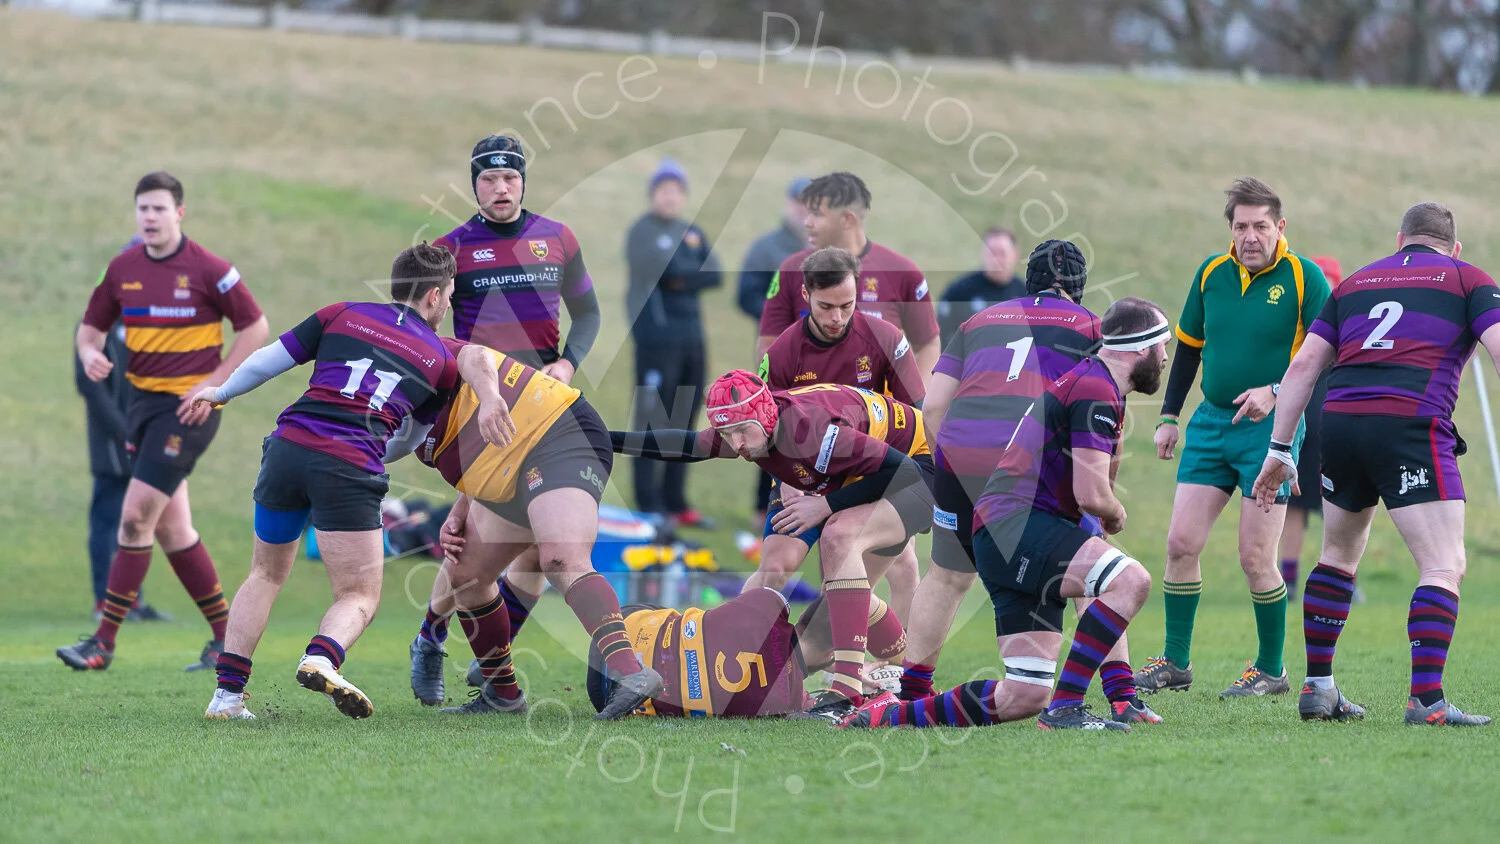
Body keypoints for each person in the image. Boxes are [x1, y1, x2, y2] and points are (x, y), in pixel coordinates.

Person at [196, 242, 509, 720]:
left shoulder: (340, 313)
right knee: (359, 593)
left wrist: (221, 392)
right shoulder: (442, 363)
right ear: (433, 295)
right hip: (349, 465)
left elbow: (267, 361)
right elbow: (407, 440)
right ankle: (322, 657)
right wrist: (364, 455)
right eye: (448, 295)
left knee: (264, 574)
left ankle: (227, 697)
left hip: (287, 449)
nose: (448, 305)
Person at [847, 297, 1171, 732]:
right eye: (1162, 345)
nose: (1165, 357)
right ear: (1140, 347)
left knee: (1024, 695)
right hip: (1018, 527)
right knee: (1130, 581)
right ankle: (1068, 709)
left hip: (1003, 532)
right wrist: (1115, 513)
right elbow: (1092, 493)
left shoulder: (1093, 382)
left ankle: (891, 715)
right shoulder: (1096, 389)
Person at [1252, 202, 1498, 727]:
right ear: (1454, 248)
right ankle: (1426, 701)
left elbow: (1304, 365)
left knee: (1337, 555)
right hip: (1410, 424)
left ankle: (1319, 687)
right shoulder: (1468, 279)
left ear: (1399, 240)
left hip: (1341, 423)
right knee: (1442, 565)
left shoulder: (1356, 282)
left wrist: (1278, 449)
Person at [612, 372, 934, 724]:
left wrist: (826, 505)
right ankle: (899, 674)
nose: (736, 444)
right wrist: (605, 439)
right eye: (726, 434)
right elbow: (687, 445)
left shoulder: (811, 431)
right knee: (825, 614)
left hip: (923, 464)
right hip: (859, 474)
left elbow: (904, 470)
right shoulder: (752, 425)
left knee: (839, 537)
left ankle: (846, 693)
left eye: (741, 431)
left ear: (765, 415)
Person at [59, 172, 270, 673]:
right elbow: (90, 329)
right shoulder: (122, 269)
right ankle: (225, 640)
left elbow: (255, 326)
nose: (149, 217)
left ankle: (103, 643)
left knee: (135, 517)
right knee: (173, 529)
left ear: (179, 213)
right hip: (142, 409)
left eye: (159, 208)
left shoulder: (210, 269)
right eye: (143, 209)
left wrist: (214, 385)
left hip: (188, 410)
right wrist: (89, 353)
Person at [1136, 177, 1331, 698]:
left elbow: (1327, 358)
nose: (1250, 236)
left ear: (1279, 226)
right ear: (1231, 228)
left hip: (1272, 431)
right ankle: (1175, 661)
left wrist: (1275, 390)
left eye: (1260, 226)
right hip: (1209, 424)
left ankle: (1271, 670)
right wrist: (1169, 416)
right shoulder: (1211, 274)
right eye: (1241, 226)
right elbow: (1187, 348)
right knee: (1180, 544)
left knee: (1254, 557)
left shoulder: (1305, 278)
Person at [399, 343, 667, 720]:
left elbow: (475, 357)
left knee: (560, 558)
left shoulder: (416, 349)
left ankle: (630, 672)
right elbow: (482, 447)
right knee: (465, 575)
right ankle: (502, 695)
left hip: (560, 434)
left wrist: (498, 394)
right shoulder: (380, 409)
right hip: (507, 467)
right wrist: (461, 507)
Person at [582, 587, 901, 719]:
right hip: (607, 693)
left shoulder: (767, 602)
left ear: (803, 618)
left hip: (616, 637)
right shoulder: (791, 703)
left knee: (687, 621)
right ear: (833, 654)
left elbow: (854, 595)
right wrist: (851, 668)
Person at [435, 135, 600, 379]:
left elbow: (587, 313)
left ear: (522, 181)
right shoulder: (449, 249)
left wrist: (567, 364)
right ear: (474, 185)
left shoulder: (559, 238)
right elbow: (419, 325)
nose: (501, 188)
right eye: (488, 179)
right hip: (479, 392)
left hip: (543, 389)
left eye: (510, 177)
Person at [757, 172, 940, 380]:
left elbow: (927, 345)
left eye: (817, 214)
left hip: (880, 402)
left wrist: (918, 398)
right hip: (805, 401)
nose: (807, 222)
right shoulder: (791, 269)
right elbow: (769, 346)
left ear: (847, 219)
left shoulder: (902, 272)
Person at [625, 159, 723, 527]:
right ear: (653, 194)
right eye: (664, 190)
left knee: (685, 416)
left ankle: (675, 501)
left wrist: (682, 279)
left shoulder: (691, 232)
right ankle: (647, 503)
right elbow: (666, 270)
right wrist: (682, 276)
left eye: (676, 191)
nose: (670, 197)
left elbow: (714, 274)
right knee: (652, 418)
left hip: (691, 340)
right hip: (656, 340)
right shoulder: (642, 231)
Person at [739, 176, 811, 520]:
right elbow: (745, 295)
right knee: (771, 422)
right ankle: (763, 505)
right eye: (799, 201)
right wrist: (780, 315)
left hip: (820, 354)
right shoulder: (767, 248)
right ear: (788, 203)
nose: (804, 209)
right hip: (779, 352)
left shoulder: (827, 252)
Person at [1279, 255, 1342, 598]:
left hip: (1336, 429)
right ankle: (1288, 579)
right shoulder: (1294, 329)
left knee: (1341, 506)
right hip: (1303, 431)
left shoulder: (1347, 327)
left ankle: (1343, 578)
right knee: (1296, 506)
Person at [936, 226, 1025, 346]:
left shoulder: (1026, 294)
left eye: (1002, 253)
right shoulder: (959, 293)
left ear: (1015, 255)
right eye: (992, 253)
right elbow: (942, 337)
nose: (996, 260)